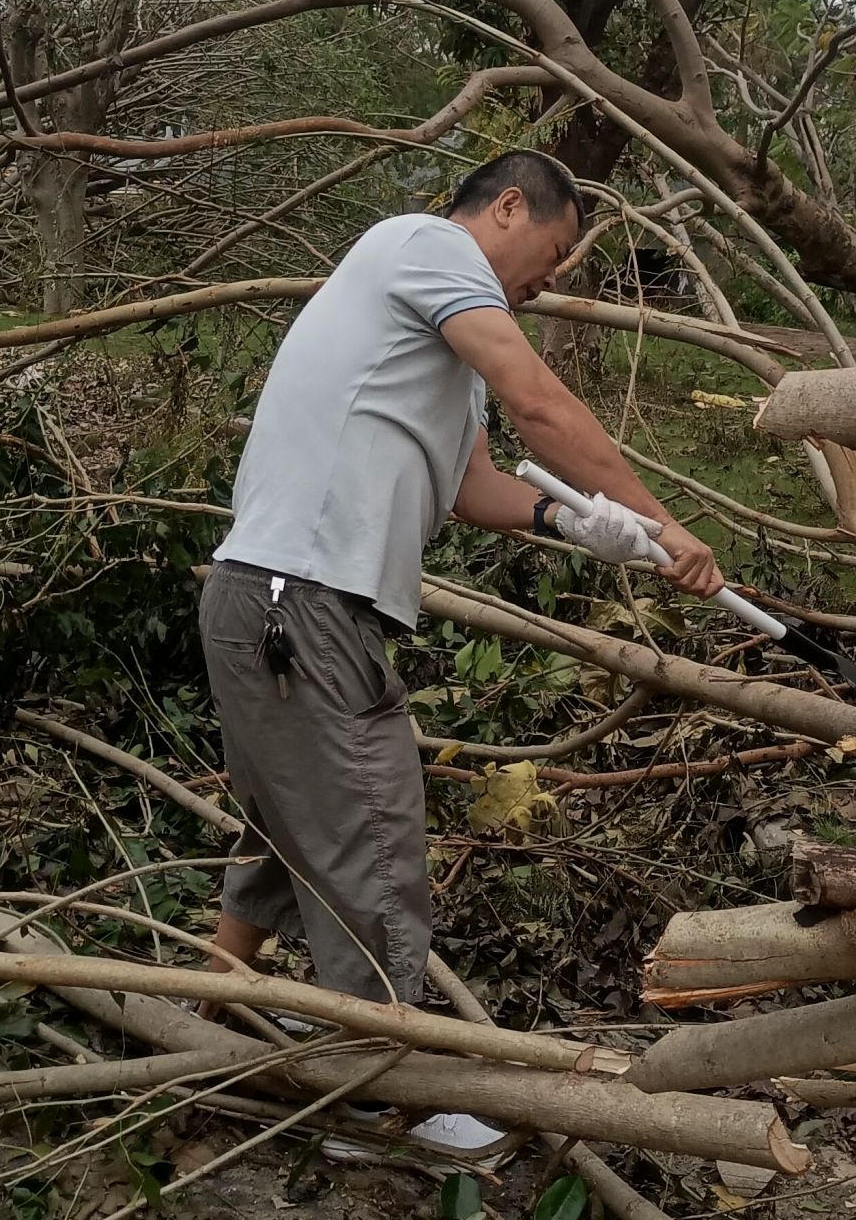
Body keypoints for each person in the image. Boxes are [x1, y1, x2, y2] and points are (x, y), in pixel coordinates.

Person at [201, 150, 722, 1024]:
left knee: (290, 828)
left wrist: (574, 524)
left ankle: (204, 1013)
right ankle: (380, 1081)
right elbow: (542, 405)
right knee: (374, 839)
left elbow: (471, 487)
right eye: (552, 255)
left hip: (276, 602)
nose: (547, 281)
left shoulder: (433, 341)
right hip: (299, 602)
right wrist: (662, 523)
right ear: (508, 207)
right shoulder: (426, 245)